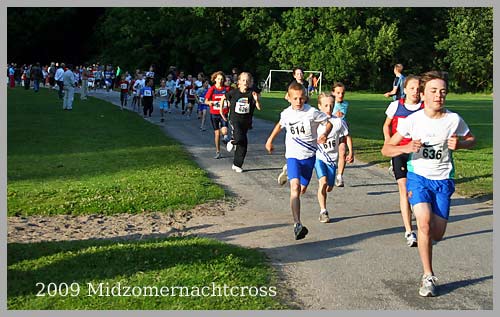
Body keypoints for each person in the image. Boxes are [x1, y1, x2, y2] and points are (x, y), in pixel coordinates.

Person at [381, 70, 476, 297]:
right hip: (418, 178)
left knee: (438, 233)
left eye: (442, 91)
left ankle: (427, 243)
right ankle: (428, 276)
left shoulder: (453, 119)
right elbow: (386, 149)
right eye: (433, 91)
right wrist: (405, 148)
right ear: (423, 94)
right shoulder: (412, 121)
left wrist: (460, 145)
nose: (438, 95)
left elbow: (471, 139)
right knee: (423, 223)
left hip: (443, 180)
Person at [265, 82, 332, 240]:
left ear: (306, 98)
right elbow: (280, 125)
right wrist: (270, 140)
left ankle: (286, 171)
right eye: (295, 98)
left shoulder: (312, 112)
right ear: (288, 98)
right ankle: (297, 224)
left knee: (302, 190)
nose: (298, 101)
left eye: (301, 98)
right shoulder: (286, 113)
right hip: (293, 155)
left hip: (309, 157)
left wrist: (325, 134)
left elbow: (328, 123)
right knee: (294, 189)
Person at [382, 75, 424, 247]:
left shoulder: (424, 108)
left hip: (418, 153)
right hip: (399, 150)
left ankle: (417, 210)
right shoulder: (396, 106)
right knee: (403, 187)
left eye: (418, 88)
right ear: (404, 90)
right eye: (412, 88)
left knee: (415, 190)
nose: (415, 91)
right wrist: (388, 140)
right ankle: (409, 231)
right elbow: (386, 125)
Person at [315, 93, 353, 223]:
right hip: (319, 157)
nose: (328, 108)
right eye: (325, 105)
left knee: (329, 187)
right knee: (323, 182)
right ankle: (323, 211)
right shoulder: (315, 122)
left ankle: (325, 192)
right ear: (319, 106)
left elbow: (347, 136)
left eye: (331, 105)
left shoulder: (338, 122)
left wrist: (351, 152)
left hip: (332, 160)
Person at [220, 72, 262, 172]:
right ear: (239, 82)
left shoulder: (252, 93)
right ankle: (232, 141)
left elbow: (259, 108)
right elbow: (223, 98)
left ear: (250, 82)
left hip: (246, 121)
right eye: (243, 80)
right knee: (239, 138)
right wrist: (221, 111)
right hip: (235, 119)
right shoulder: (234, 92)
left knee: (243, 143)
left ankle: (237, 164)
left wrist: (256, 100)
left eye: (247, 80)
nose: (245, 82)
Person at [277, 67, 310, 185]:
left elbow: (307, 95)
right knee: (295, 138)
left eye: (301, 73)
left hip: (305, 111)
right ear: (294, 75)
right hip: (295, 112)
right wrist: (294, 101)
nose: (300, 75)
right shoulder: (293, 84)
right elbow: (287, 96)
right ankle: (290, 168)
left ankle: (293, 168)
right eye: (298, 73)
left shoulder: (305, 84)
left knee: (305, 136)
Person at [205, 71, 231, 159]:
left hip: (224, 113)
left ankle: (226, 138)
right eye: (218, 79)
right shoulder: (212, 89)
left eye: (221, 79)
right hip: (214, 113)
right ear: (215, 79)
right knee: (216, 134)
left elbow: (231, 98)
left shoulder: (226, 89)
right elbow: (206, 101)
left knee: (224, 131)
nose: (220, 80)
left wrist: (229, 103)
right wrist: (210, 102)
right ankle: (218, 151)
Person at [331, 82, 350, 187]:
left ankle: (339, 176)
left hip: (341, 131)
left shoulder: (345, 104)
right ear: (333, 93)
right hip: (330, 133)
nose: (340, 95)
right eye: (338, 93)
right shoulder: (330, 103)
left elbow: (341, 117)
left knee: (342, 152)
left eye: (342, 93)